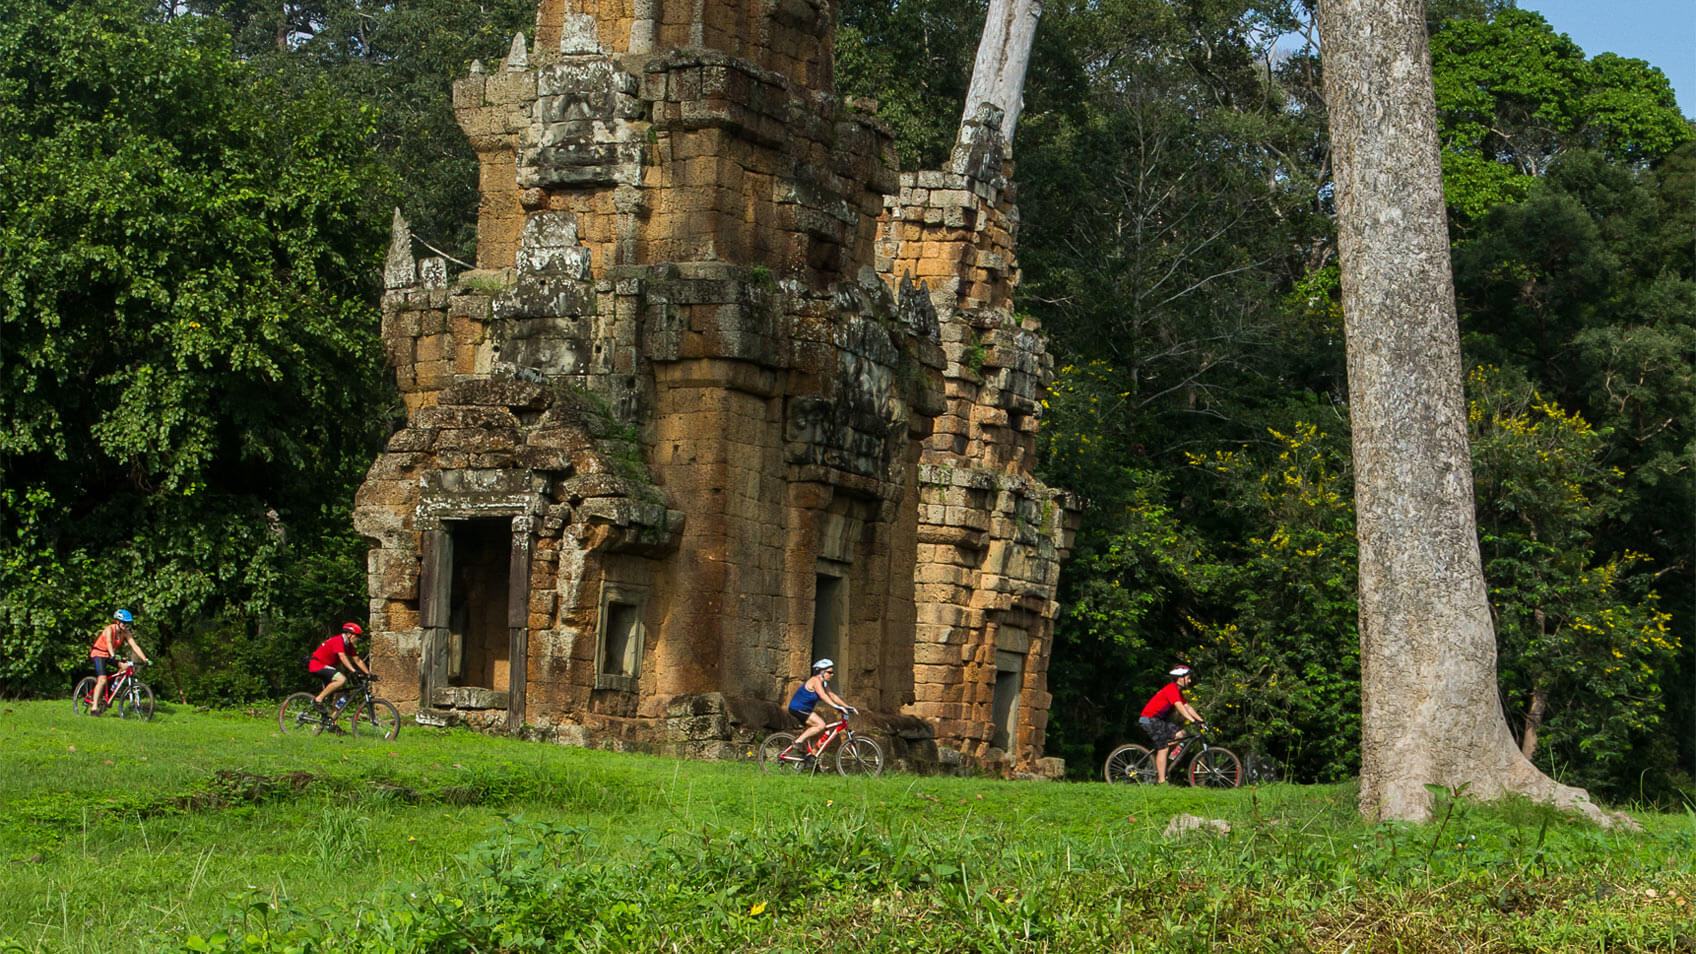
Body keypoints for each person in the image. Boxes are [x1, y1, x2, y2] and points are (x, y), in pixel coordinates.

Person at [1140, 665, 1206, 783]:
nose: (1190, 681)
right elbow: (1179, 706)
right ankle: (1161, 780)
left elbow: (1187, 706)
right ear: (1180, 678)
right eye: (1188, 678)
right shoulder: (1171, 688)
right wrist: (1191, 720)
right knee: (1163, 747)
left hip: (1158, 720)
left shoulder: (1177, 691)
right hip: (1149, 720)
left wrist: (1201, 720)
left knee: (1181, 734)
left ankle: (1162, 761)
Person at [783, 658, 854, 761]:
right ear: (822, 672)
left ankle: (811, 761)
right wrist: (836, 707)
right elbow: (823, 695)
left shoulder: (823, 683)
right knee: (821, 725)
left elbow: (832, 695)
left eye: (832, 672)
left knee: (817, 735)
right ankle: (798, 741)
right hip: (798, 708)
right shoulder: (815, 680)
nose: (832, 674)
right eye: (829, 672)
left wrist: (846, 706)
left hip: (806, 709)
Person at [89, 609, 151, 716]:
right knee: (102, 679)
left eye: (128, 623)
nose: (126, 625)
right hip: (99, 653)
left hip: (110, 655)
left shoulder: (125, 633)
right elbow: (108, 643)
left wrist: (145, 659)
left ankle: (114, 689)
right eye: (124, 623)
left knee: (125, 666)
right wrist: (113, 655)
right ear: (117, 621)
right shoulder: (110, 629)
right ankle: (94, 708)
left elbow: (135, 646)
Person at [308, 622, 374, 714]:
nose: (357, 639)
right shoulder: (338, 640)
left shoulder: (349, 645)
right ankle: (318, 700)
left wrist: (369, 674)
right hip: (317, 665)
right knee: (341, 679)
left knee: (343, 695)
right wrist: (354, 671)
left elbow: (358, 660)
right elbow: (342, 657)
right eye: (356, 636)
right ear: (348, 634)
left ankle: (332, 721)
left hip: (328, 667)